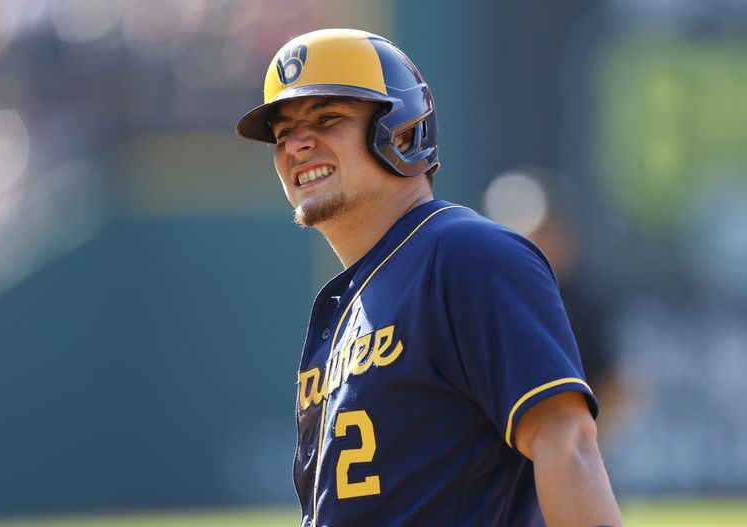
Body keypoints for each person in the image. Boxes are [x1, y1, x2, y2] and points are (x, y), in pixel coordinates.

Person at [236, 28, 621, 527]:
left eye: (327, 118)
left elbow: (566, 443)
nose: (297, 143)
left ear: (400, 130)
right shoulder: (349, 298)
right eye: (282, 132)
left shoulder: (467, 254)